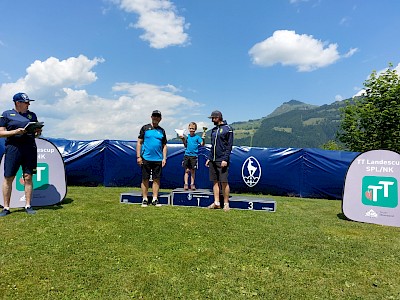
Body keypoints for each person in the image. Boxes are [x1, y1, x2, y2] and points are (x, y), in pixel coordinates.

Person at [0, 93, 42, 217]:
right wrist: (15, 132)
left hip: (29, 147)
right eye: (26, 102)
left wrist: (38, 132)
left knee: (28, 177)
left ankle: (28, 205)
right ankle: (6, 207)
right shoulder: (6, 114)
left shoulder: (32, 115)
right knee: (9, 177)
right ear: (18, 103)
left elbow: (37, 135)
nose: (28, 104)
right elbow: (1, 133)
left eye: (29, 102)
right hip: (13, 148)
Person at [136, 110, 167, 207]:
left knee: (156, 179)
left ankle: (155, 199)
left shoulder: (162, 131)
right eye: (154, 116)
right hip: (146, 158)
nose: (156, 118)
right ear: (151, 117)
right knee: (145, 179)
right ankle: (145, 199)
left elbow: (164, 145)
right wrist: (138, 156)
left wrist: (164, 158)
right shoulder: (145, 128)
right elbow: (139, 142)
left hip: (158, 159)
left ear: (160, 119)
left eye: (158, 116)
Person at [205, 110, 234, 211]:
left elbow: (229, 146)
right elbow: (213, 146)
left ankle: (226, 203)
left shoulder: (228, 129)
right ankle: (216, 202)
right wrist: (209, 158)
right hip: (213, 160)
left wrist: (225, 159)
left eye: (213, 118)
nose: (212, 120)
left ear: (219, 117)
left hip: (222, 160)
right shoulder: (213, 130)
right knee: (215, 181)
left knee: (224, 182)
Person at [179, 122, 205, 190]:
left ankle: (192, 184)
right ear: (188, 129)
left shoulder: (197, 137)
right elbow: (185, 145)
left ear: (195, 129)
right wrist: (183, 139)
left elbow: (202, 144)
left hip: (194, 156)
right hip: (187, 155)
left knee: (193, 171)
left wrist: (203, 138)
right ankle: (186, 184)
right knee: (187, 170)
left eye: (193, 128)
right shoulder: (187, 137)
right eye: (190, 128)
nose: (191, 130)